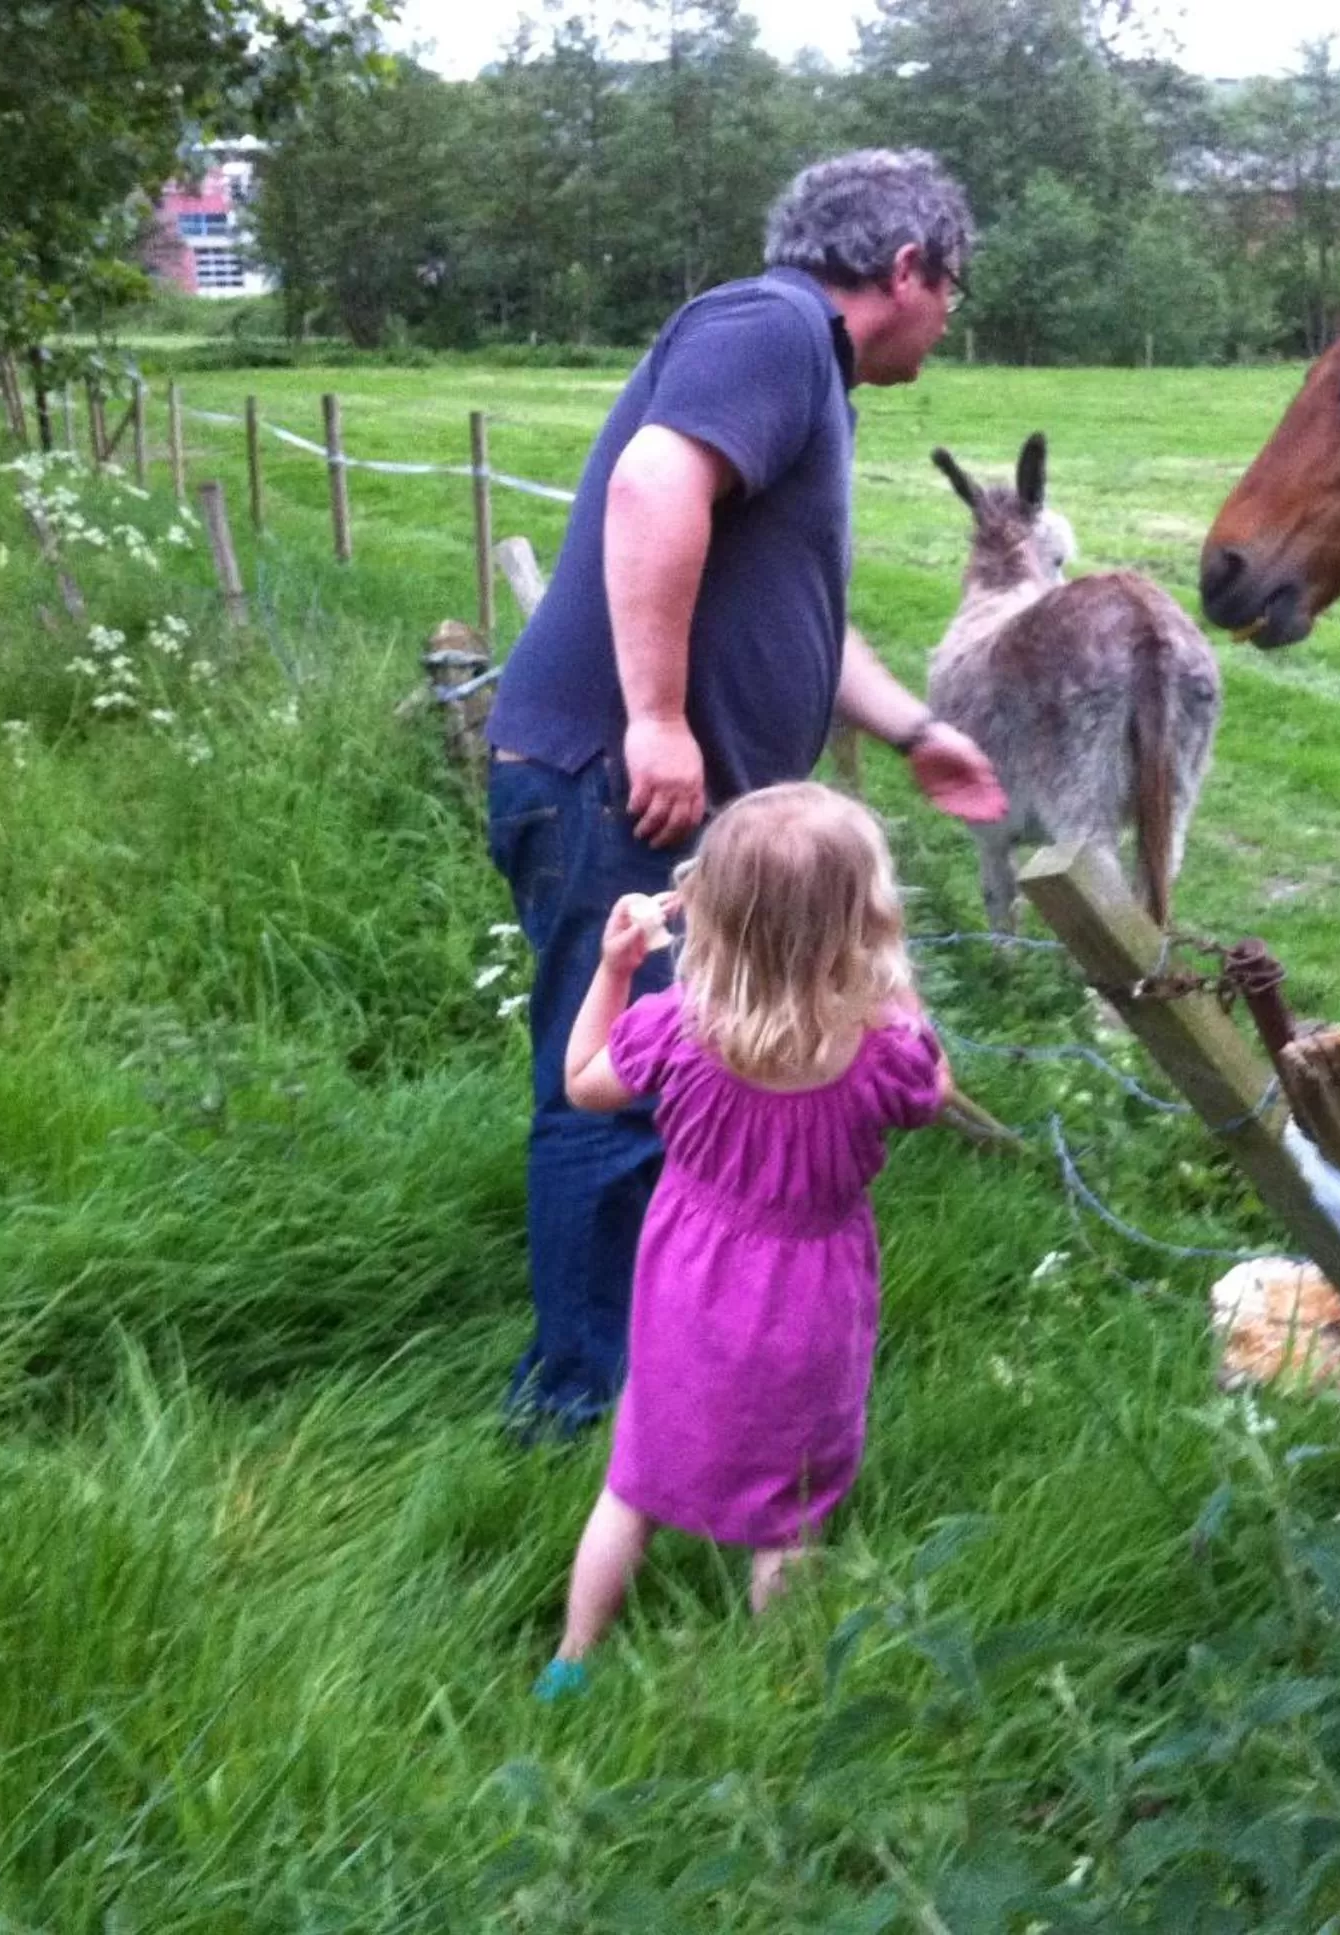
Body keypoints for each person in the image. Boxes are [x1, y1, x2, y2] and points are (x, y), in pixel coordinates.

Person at [482, 149, 1006, 1436]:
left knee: (682, 1094)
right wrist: (656, 717)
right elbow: (653, 485)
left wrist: (914, 730)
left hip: (657, 801)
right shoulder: (769, 327)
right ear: (907, 270)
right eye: (956, 290)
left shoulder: (803, 374)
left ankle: (658, 1377)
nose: (952, 319)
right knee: (617, 1095)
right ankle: (578, 1411)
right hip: (621, 790)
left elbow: (796, 620)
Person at [533, 784, 949, 1697]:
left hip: (688, 1278)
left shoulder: (674, 1033)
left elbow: (580, 1086)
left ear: (712, 913)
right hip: (816, 1297)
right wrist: (894, 985)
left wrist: (611, 968)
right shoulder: (885, 1049)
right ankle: (782, 1692)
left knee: (633, 1484)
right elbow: (935, 1088)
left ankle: (570, 1662)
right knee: (790, 1515)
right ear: (864, 922)